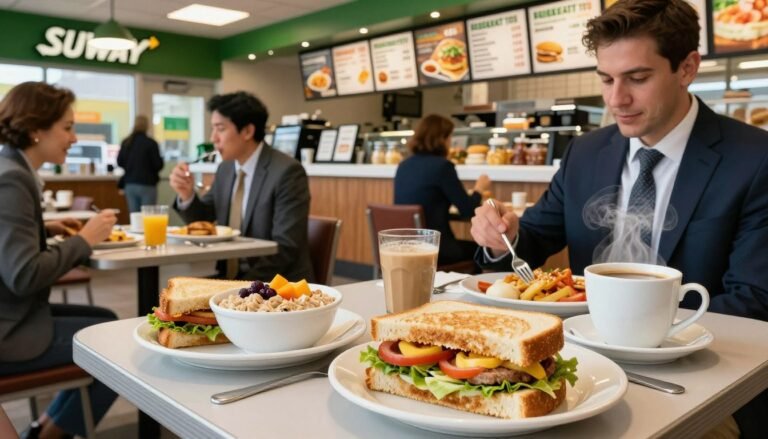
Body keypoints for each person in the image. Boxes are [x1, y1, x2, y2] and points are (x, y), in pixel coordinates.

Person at [470, 1, 767, 437]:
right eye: (606, 79)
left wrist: (638, 329)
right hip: (583, 368)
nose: (616, 99)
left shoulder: (754, 159)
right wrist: (502, 238)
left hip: (695, 381)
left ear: (687, 68)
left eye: (638, 78)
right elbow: (532, 240)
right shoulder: (586, 153)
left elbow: (754, 301)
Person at [0, 82, 119, 439]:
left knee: (109, 323)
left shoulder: (10, 167)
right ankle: (51, 435)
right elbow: (23, 275)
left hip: (14, 315)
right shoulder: (12, 179)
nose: (74, 137)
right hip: (10, 332)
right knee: (117, 348)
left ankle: (44, 429)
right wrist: (85, 239)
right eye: (67, 127)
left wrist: (43, 227)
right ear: (36, 129)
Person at [169, 91, 313, 281]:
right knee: (171, 297)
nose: (213, 138)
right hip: (230, 277)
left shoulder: (287, 172)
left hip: (275, 283)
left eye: (220, 128)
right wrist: (187, 194)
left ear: (247, 131)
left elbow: (285, 247)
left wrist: (240, 288)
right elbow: (205, 219)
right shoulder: (226, 168)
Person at [394, 114, 490, 267]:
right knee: (487, 250)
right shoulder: (443, 167)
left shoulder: (403, 166)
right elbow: (468, 210)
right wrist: (479, 188)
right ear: (442, 139)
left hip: (405, 247)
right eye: (450, 137)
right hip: (436, 249)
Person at [116, 114, 164, 213]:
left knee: (135, 217)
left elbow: (119, 162)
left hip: (130, 184)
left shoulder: (126, 142)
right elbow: (158, 165)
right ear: (147, 126)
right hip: (147, 184)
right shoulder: (151, 143)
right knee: (148, 216)